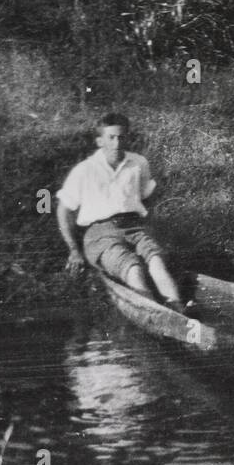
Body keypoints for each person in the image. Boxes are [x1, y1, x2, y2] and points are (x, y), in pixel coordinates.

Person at [57, 112, 192, 314]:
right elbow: (63, 210)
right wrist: (74, 250)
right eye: (111, 137)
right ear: (100, 141)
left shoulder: (138, 163)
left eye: (121, 137)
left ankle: (177, 307)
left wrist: (149, 226)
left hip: (134, 227)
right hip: (100, 234)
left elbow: (147, 196)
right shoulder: (84, 170)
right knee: (133, 268)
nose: (117, 143)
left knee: (155, 259)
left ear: (127, 138)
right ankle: (154, 314)